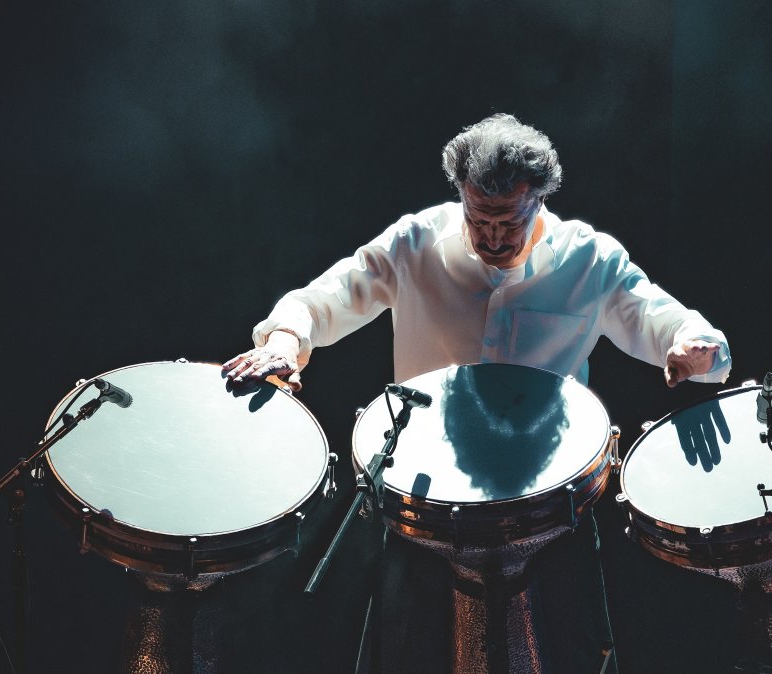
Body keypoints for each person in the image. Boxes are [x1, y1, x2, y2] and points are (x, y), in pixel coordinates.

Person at [222, 113, 731, 673]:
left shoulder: (590, 259)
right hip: (426, 501)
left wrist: (693, 346)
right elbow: (326, 297)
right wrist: (287, 338)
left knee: (567, 656)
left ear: (538, 200)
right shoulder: (416, 241)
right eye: (477, 220)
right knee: (407, 657)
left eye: (507, 223)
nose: (491, 238)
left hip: (547, 506)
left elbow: (664, 319)